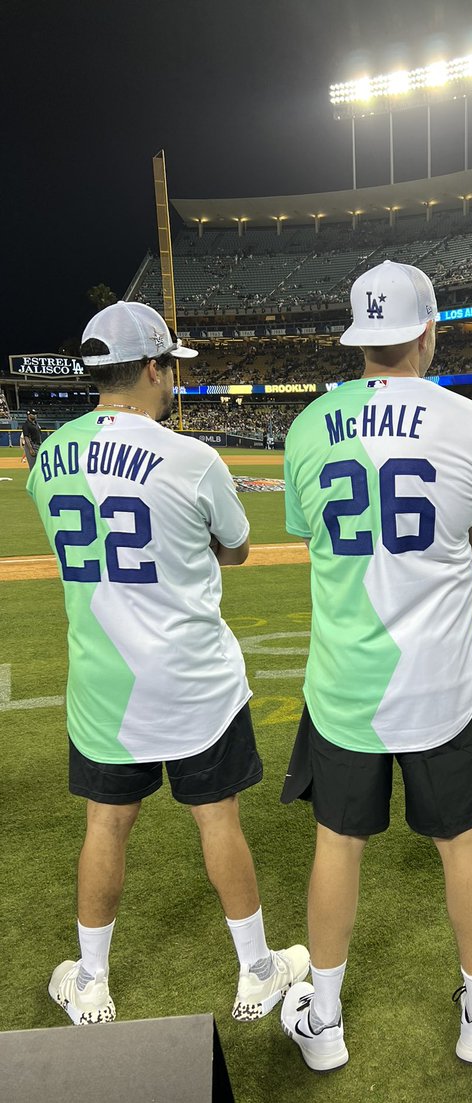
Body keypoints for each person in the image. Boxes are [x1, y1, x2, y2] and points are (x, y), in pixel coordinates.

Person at [27, 301, 308, 1026]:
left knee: (104, 826)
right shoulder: (191, 457)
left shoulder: (50, 457)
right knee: (218, 820)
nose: (173, 381)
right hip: (194, 681)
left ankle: (91, 981)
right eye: (169, 369)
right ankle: (255, 972)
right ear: (152, 367)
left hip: (102, 683)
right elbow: (237, 547)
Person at [279, 261, 472, 1072]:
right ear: (424, 329)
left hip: (343, 683)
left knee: (337, 845)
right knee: (464, 842)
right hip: (443, 683)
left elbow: (314, 536)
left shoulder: (309, 426)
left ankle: (327, 1016)